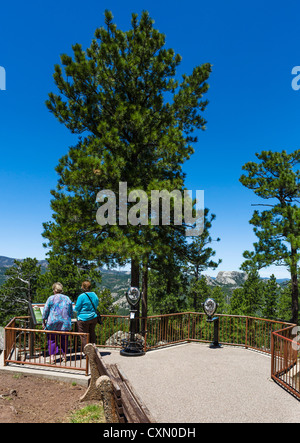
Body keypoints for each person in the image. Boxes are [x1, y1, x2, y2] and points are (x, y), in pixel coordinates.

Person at [42, 282, 73, 362]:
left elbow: (45, 310)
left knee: (52, 339)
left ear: (54, 290)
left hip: (53, 321)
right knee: (64, 339)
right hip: (65, 322)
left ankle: (52, 358)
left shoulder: (51, 298)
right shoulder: (67, 298)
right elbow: (71, 311)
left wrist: (43, 321)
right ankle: (64, 357)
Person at [75, 281, 99, 349]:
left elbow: (77, 308)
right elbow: (97, 303)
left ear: (83, 287)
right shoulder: (94, 295)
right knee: (92, 334)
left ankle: (86, 352)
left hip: (83, 318)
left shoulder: (81, 296)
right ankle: (93, 349)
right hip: (93, 317)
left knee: (84, 336)